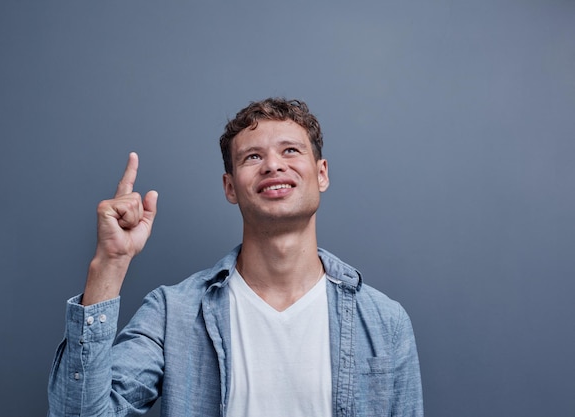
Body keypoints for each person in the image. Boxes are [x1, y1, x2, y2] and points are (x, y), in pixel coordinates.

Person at [47, 98, 423, 416]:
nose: (273, 165)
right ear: (230, 187)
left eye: (290, 150)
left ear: (321, 174)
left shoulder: (384, 322)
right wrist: (109, 264)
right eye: (252, 156)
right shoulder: (171, 314)